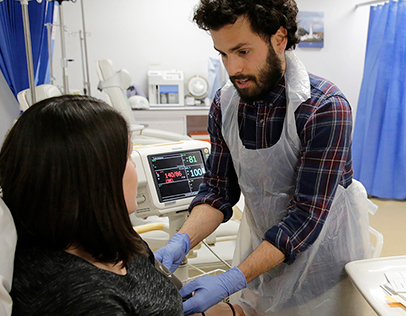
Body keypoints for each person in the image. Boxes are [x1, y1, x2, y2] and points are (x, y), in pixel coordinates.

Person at [154, 0, 378, 315]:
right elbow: (218, 191)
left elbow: (306, 217)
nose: (232, 69)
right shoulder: (225, 105)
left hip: (324, 264)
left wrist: (232, 279)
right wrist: (181, 241)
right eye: (223, 54)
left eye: (243, 52)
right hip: (263, 252)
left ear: (279, 38)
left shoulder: (324, 108)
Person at [0, 95, 243, 316]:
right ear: (95, 180)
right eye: (127, 158)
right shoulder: (85, 299)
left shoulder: (116, 242)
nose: (135, 168)